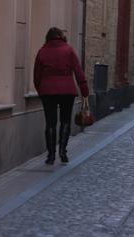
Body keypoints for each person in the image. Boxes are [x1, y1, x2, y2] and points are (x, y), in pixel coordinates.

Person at [34, 27, 89, 165]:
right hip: (67, 91)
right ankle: (63, 152)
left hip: (48, 91)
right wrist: (84, 91)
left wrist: (40, 90)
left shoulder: (42, 51)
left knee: (50, 122)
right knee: (65, 120)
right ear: (61, 36)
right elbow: (78, 71)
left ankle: (51, 155)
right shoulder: (69, 50)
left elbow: (36, 75)